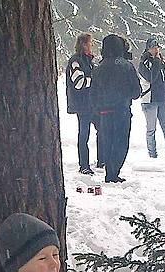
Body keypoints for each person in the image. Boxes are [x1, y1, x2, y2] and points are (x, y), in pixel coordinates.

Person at [91, 34, 142, 183]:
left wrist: (96, 110)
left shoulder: (99, 67)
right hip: (121, 110)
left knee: (107, 142)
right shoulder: (126, 66)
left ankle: (109, 172)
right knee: (120, 142)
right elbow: (136, 91)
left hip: (104, 111)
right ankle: (114, 173)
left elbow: (93, 92)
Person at [66, 33, 100, 175]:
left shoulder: (89, 62)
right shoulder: (75, 61)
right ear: (84, 44)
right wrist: (95, 81)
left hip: (91, 103)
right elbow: (79, 83)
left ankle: (101, 160)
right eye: (90, 43)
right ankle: (84, 165)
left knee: (101, 130)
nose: (92, 46)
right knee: (84, 135)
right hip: (82, 104)